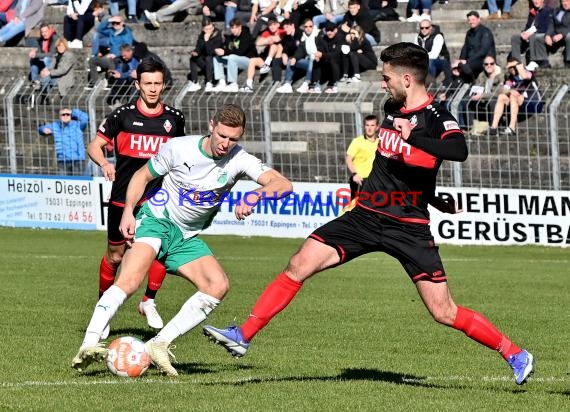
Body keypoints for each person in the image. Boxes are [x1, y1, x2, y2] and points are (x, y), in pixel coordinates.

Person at [203, 42, 535, 387]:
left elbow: (458, 150)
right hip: (365, 214)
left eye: (386, 76)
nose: (382, 83)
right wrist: (434, 197)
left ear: (407, 79)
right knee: (299, 262)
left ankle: (515, 353)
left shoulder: (436, 117)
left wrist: (417, 145)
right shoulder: (392, 106)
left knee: (443, 311)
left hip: (408, 227)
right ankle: (243, 334)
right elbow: (400, 168)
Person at [71, 104, 293, 376]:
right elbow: (142, 175)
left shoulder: (239, 159)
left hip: (186, 235)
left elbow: (283, 184)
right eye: (222, 135)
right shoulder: (180, 148)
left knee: (217, 285)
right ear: (211, 126)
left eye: (233, 139)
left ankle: (159, 344)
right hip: (157, 220)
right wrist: (129, 211)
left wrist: (256, 195)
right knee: (130, 280)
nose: (226, 144)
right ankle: (89, 343)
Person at [85, 58, 186, 339]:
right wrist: (105, 164)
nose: (153, 89)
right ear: (137, 84)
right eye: (148, 83)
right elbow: (94, 146)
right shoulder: (123, 116)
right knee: (115, 256)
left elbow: (180, 155)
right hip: (122, 199)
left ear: (164, 84)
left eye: (158, 83)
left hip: (158, 198)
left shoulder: (174, 119)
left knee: (159, 250)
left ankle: (148, 300)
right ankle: (103, 307)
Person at [488, 57, 538, 136]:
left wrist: (517, 64)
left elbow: (524, 76)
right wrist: (511, 91)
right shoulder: (511, 78)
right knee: (502, 97)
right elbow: (504, 90)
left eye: (513, 67)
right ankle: (493, 127)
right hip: (517, 100)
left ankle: (512, 128)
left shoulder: (528, 72)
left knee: (512, 96)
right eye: (510, 68)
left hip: (532, 100)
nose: (511, 69)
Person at [87, 16, 135, 88]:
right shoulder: (112, 31)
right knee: (92, 60)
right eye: (113, 23)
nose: (115, 24)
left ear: (122, 23)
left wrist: (116, 55)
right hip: (109, 56)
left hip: (119, 58)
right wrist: (108, 20)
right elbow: (99, 29)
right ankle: (95, 83)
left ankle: (110, 84)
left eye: (117, 23)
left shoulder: (127, 34)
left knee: (110, 61)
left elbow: (128, 50)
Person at [38, 107, 88, 175]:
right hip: (62, 160)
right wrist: (43, 130)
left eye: (68, 114)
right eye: (63, 114)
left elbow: (85, 119)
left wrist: (73, 111)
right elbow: (41, 128)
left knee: (78, 182)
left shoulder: (78, 125)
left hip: (78, 159)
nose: (65, 116)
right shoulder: (55, 125)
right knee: (64, 182)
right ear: (60, 116)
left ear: (71, 115)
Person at [212, 18, 257, 93]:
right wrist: (220, 51)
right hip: (235, 60)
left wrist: (225, 52)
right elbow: (225, 48)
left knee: (231, 57)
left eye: (235, 28)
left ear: (240, 27)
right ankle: (222, 82)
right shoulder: (231, 37)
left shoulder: (246, 36)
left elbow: (240, 52)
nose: (233, 30)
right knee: (217, 58)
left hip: (249, 61)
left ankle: (233, 84)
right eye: (232, 28)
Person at [453, 11, 496, 83]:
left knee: (466, 66)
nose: (471, 22)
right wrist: (461, 60)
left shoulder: (485, 32)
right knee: (455, 66)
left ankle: (472, 81)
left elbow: (483, 51)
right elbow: (465, 48)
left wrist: (467, 61)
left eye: (473, 20)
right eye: (469, 20)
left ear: (478, 19)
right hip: (471, 59)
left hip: (482, 60)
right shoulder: (469, 33)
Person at [345, 114, 379, 199]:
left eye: (372, 125)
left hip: (374, 181)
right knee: (355, 208)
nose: (369, 128)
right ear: (364, 126)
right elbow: (348, 159)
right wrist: (354, 174)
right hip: (360, 180)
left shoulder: (380, 142)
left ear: (377, 127)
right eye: (367, 125)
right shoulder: (357, 141)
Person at [187, 17, 224, 93]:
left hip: (215, 62)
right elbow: (198, 48)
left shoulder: (217, 35)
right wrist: (195, 52)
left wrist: (207, 41)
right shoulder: (202, 35)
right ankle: (195, 82)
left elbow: (211, 52)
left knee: (208, 57)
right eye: (207, 29)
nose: (209, 31)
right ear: (203, 29)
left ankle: (209, 82)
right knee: (193, 59)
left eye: (210, 28)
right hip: (205, 62)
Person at [510, 0, 553, 65]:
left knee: (534, 37)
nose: (535, 1)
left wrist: (530, 33)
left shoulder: (548, 11)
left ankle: (534, 61)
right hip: (530, 35)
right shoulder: (532, 12)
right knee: (515, 38)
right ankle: (516, 62)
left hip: (541, 35)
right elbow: (528, 26)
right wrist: (524, 32)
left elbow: (545, 28)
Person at [414, 19, 452, 86]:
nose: (424, 29)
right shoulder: (418, 37)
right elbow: (415, 52)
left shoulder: (438, 36)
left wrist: (420, 58)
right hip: (425, 60)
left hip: (442, 60)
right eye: (422, 28)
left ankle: (431, 85)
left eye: (427, 27)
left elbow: (434, 54)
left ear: (431, 27)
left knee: (430, 62)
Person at [533, 0, 570, 69]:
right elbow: (551, 24)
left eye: (567, 1)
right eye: (563, 1)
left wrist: (562, 34)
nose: (565, 3)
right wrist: (548, 35)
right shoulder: (557, 11)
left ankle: (569, 62)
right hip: (555, 35)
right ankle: (543, 62)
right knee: (538, 37)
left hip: (566, 35)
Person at [105, 43, 139, 109]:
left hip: (132, 84)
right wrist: (112, 72)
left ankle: (130, 103)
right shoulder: (119, 59)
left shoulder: (136, 61)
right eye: (122, 55)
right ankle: (114, 100)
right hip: (121, 82)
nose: (123, 57)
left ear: (130, 51)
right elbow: (118, 68)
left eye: (125, 55)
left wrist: (121, 75)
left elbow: (133, 73)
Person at [28, 23, 58, 88]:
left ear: (50, 30)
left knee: (46, 59)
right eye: (42, 32)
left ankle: (46, 79)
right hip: (44, 61)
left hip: (54, 62)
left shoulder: (54, 38)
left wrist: (37, 54)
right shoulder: (40, 40)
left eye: (46, 31)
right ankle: (35, 81)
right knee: (33, 59)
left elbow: (51, 54)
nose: (44, 34)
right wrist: (34, 52)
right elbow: (39, 52)